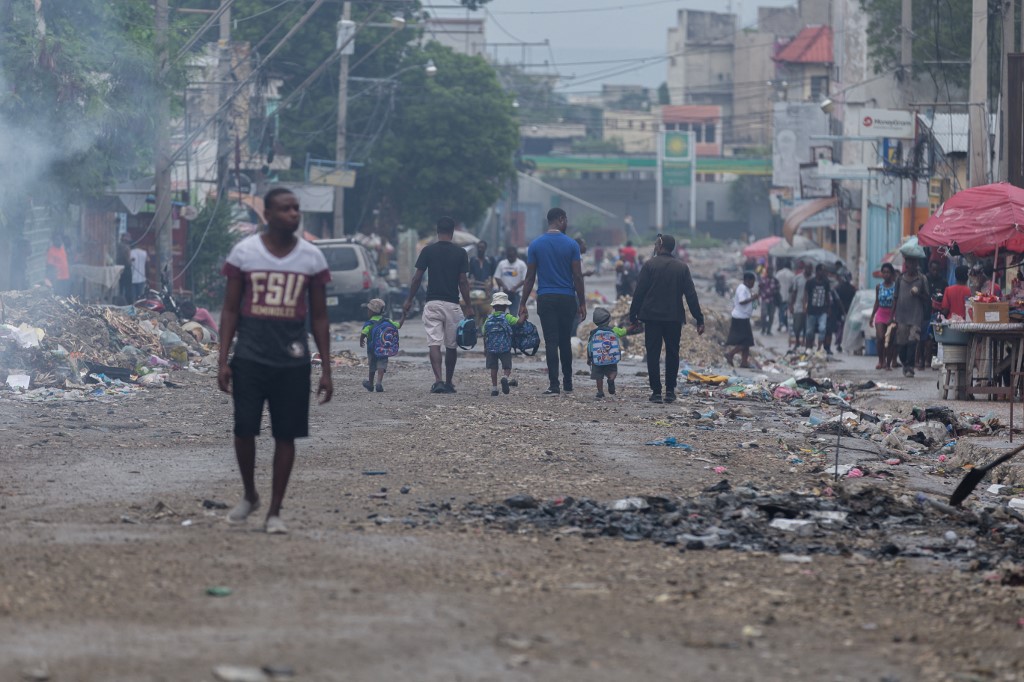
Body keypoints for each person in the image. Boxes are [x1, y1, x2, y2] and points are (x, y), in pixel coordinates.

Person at [218, 187, 333, 535]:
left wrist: (327, 368)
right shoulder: (244, 253)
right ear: (267, 214)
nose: (293, 215)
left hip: (292, 360)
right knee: (244, 429)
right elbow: (231, 308)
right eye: (285, 209)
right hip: (251, 356)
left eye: (297, 209)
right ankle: (250, 493)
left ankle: (274, 511)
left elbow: (320, 317)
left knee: (286, 435)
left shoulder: (312, 259)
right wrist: (222, 358)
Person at [628, 234, 705, 403]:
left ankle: (656, 392)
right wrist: (699, 319)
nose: (654, 246)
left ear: (660, 245)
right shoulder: (681, 267)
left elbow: (639, 293)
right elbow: (691, 296)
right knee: (672, 353)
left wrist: (633, 315)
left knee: (653, 354)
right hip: (673, 318)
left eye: (656, 243)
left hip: (652, 317)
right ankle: (670, 391)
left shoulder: (649, 265)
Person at [519, 208, 586, 394]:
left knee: (550, 342)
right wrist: (582, 303)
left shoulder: (535, 245)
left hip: (546, 297)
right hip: (566, 297)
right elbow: (578, 277)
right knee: (565, 340)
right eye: (566, 220)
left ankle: (554, 384)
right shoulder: (572, 245)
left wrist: (522, 302)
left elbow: (529, 277)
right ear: (561, 219)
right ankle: (568, 383)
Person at [404, 217, 474, 394]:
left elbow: (417, 278)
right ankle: (449, 382)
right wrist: (469, 305)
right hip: (452, 304)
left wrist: (409, 299)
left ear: (437, 231)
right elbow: (463, 281)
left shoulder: (428, 251)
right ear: (452, 233)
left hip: (432, 303)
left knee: (434, 343)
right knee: (451, 346)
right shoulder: (460, 253)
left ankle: (438, 381)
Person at [892, 257, 930, 378]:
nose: (912, 264)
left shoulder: (922, 279)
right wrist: (892, 316)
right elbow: (895, 297)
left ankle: (910, 366)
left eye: (914, 262)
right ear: (906, 264)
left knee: (913, 341)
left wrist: (918, 293)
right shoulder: (899, 279)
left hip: (916, 315)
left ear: (917, 263)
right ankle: (905, 364)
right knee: (901, 344)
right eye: (910, 262)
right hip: (901, 316)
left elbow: (927, 298)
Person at [482, 291, 523, 396]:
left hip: (491, 348)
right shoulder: (507, 317)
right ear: (505, 306)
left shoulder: (488, 319)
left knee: (493, 368)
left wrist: (485, 348)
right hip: (505, 348)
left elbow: (484, 333)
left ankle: (494, 389)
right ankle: (505, 377)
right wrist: (524, 316)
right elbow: (518, 322)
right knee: (507, 367)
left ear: (494, 306)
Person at [587, 307, 627, 399]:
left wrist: (589, 358)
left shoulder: (593, 333)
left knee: (599, 377)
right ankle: (611, 379)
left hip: (597, 359)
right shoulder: (614, 330)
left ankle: (600, 392)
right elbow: (624, 332)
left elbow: (589, 347)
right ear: (609, 320)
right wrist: (633, 326)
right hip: (611, 357)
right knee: (613, 371)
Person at [725, 272, 758, 368]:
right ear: (747, 280)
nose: (753, 284)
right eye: (752, 281)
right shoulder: (742, 288)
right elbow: (742, 301)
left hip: (744, 317)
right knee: (745, 342)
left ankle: (744, 362)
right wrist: (753, 298)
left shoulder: (746, 289)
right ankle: (730, 354)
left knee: (747, 343)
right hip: (740, 318)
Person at [871, 263, 898, 370]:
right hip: (881, 313)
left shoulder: (896, 286)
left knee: (890, 339)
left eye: (888, 272)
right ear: (881, 274)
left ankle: (888, 363)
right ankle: (880, 360)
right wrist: (872, 316)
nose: (886, 274)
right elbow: (876, 302)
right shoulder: (879, 287)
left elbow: (896, 302)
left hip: (892, 313)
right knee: (880, 337)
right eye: (884, 272)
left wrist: (893, 317)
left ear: (891, 274)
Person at [804, 264, 832, 353]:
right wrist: (805, 305)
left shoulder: (826, 283)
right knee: (809, 331)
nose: (823, 273)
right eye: (821, 271)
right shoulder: (810, 282)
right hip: (811, 310)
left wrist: (828, 307)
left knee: (822, 329)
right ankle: (808, 347)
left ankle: (820, 348)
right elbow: (806, 295)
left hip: (822, 310)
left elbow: (827, 295)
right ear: (817, 271)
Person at [494, 246, 527, 313]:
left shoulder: (521, 264)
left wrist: (515, 288)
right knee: (501, 314)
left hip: (515, 294)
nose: (510, 258)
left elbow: (525, 279)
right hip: (503, 293)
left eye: (512, 256)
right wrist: (504, 286)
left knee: (513, 315)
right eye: (508, 256)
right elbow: (497, 277)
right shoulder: (502, 264)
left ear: (515, 255)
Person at [789, 262, 812, 348]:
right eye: (807, 268)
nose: (809, 270)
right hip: (798, 305)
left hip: (810, 307)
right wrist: (791, 305)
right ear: (804, 269)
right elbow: (794, 292)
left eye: (810, 268)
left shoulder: (813, 278)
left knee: (808, 327)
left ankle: (807, 343)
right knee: (797, 326)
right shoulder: (798, 278)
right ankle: (797, 341)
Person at [774, 260, 794, 332]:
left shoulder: (778, 273)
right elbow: (793, 286)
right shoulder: (792, 274)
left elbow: (775, 283)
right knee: (785, 311)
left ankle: (781, 323)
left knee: (780, 311)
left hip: (779, 295)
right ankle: (785, 324)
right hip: (788, 296)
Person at [758, 266, 779, 335]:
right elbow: (760, 288)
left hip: (772, 300)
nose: (770, 272)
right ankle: (763, 328)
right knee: (764, 314)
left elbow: (778, 289)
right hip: (764, 299)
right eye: (769, 271)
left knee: (771, 315)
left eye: (771, 271)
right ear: (767, 272)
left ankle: (769, 330)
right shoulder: (763, 279)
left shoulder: (775, 280)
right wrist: (758, 297)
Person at [116, 233, 132, 303]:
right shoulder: (126, 247)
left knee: (121, 287)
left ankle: (121, 301)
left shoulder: (118, 246)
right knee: (128, 288)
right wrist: (130, 263)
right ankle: (128, 302)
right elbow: (127, 260)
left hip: (119, 269)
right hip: (126, 269)